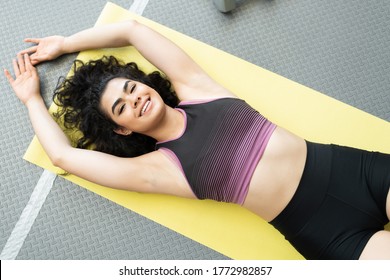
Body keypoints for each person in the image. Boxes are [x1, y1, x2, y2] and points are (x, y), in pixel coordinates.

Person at [4, 20, 390, 260]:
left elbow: (132, 31)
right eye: (120, 108)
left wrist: (67, 43)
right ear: (121, 129)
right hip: (327, 234)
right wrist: (32, 99)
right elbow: (62, 156)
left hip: (355, 172)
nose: (134, 98)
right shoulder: (158, 170)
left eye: (129, 87)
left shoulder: (198, 88)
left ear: (141, 82)